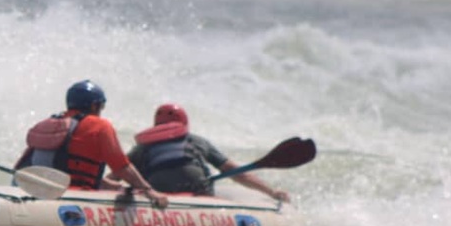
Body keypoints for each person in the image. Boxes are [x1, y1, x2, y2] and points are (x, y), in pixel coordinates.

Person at [15, 80, 169, 208]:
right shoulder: (99, 126)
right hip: (74, 197)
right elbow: (121, 167)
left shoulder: (49, 123)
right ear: (94, 106)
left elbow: (60, 166)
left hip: (35, 193)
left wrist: (108, 185)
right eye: (101, 106)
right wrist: (148, 191)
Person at [128, 103, 291, 202]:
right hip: (198, 189)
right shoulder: (197, 141)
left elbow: (121, 172)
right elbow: (236, 172)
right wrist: (271, 191)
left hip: (159, 191)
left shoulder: (142, 148)